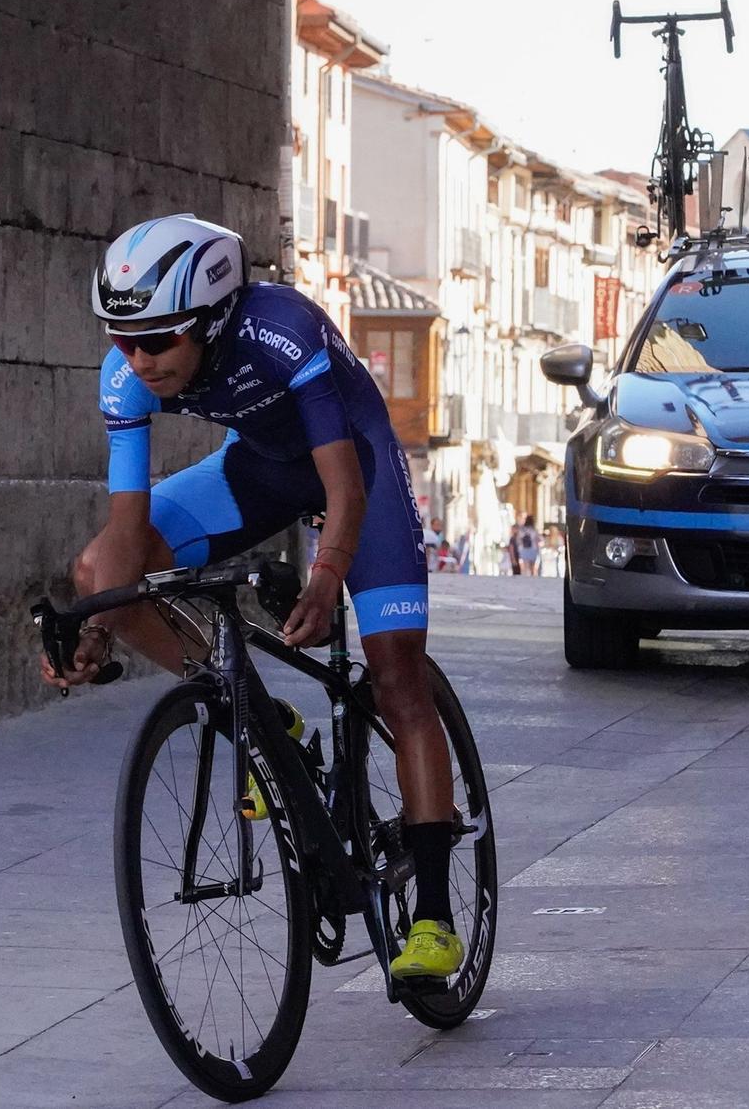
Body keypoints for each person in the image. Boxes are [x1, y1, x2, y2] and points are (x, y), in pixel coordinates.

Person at [42, 214, 464, 981]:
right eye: (120, 339)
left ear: (211, 320)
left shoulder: (282, 330)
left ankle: (434, 917)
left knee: (397, 674)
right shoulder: (126, 376)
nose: (136, 360)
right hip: (260, 472)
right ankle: (260, 714)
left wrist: (327, 574)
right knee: (97, 572)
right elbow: (128, 531)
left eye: (158, 341)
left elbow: (342, 484)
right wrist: (100, 627)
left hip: (355, 469)